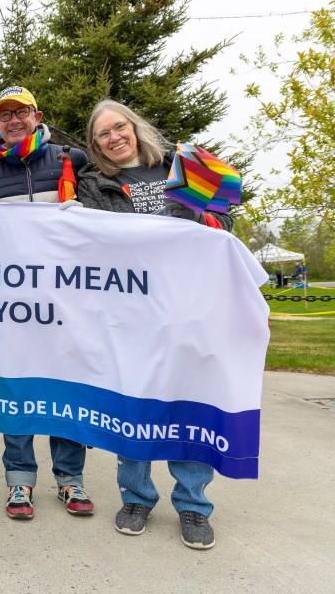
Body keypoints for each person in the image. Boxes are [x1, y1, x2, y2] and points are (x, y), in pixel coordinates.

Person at [76, 99, 234, 550]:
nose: (114, 137)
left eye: (119, 127)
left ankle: (193, 505)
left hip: (190, 306)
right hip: (130, 314)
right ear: (95, 145)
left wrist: (197, 217)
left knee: (190, 404)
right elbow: (94, 244)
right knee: (133, 407)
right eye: (103, 134)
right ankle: (136, 497)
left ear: (135, 127)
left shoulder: (182, 165)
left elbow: (223, 220)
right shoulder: (92, 185)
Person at [0, 86, 93, 521]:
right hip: (13, 305)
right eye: (4, 115)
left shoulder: (70, 160)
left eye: (21, 112)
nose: (13, 120)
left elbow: (106, 218)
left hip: (68, 302)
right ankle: (20, 479)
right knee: (17, 394)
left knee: (66, 393)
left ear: (38, 116)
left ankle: (70, 480)